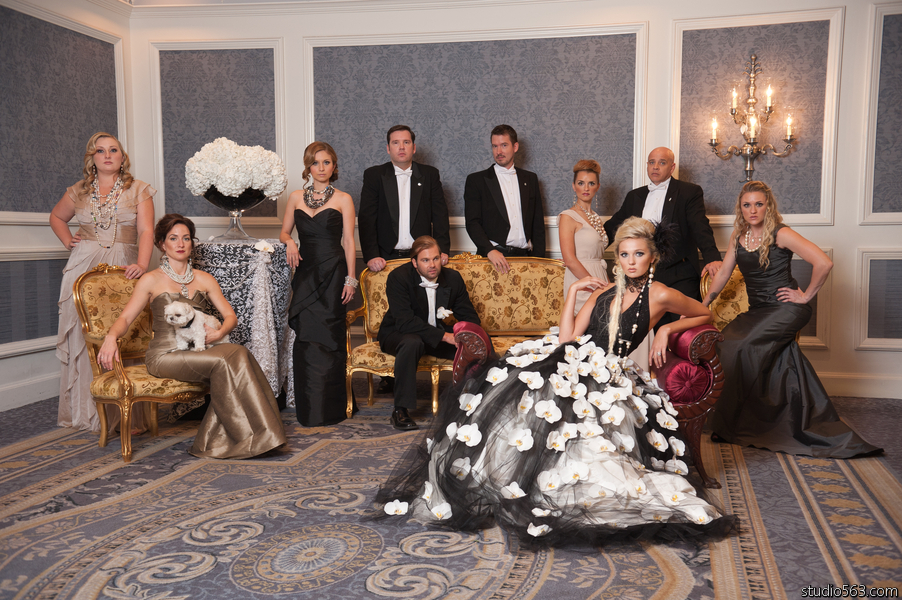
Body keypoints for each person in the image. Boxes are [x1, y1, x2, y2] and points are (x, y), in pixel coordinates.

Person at [377, 217, 736, 547]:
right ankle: (500, 475)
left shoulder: (660, 294)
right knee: (517, 388)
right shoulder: (604, 291)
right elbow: (567, 339)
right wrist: (574, 291)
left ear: (652, 257)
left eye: (639, 254)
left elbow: (704, 312)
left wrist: (668, 330)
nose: (630, 262)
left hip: (604, 371)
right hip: (571, 356)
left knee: (561, 412)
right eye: (624, 254)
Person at [703, 182, 881, 458]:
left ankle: (733, 424)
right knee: (727, 344)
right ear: (740, 208)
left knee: (741, 346)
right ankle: (755, 421)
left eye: (759, 204)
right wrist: (703, 304)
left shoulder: (781, 233)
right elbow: (725, 273)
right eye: (747, 205)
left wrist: (806, 296)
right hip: (758, 310)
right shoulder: (739, 235)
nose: (753, 210)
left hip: (786, 309)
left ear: (768, 206)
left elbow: (824, 262)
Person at [97, 214, 287, 459]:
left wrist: (219, 332)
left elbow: (230, 316)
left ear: (192, 243)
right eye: (173, 238)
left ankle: (257, 435)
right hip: (165, 355)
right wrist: (111, 337)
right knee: (225, 360)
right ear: (161, 244)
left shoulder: (204, 278)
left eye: (186, 238)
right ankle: (244, 437)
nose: (180, 244)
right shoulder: (151, 279)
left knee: (239, 352)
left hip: (199, 350)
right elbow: (125, 318)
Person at [51, 132, 155, 432]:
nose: (107, 155)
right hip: (83, 268)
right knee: (85, 335)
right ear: (92, 157)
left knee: (123, 333)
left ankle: (126, 415)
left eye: (113, 150)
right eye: (100, 151)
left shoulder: (139, 189)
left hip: (125, 267)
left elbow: (146, 231)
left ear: (122, 157)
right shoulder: (79, 190)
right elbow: (56, 217)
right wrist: (67, 240)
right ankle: (85, 413)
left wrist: (142, 265)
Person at [358, 125, 451, 394]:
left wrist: (443, 249)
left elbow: (440, 214)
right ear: (388, 148)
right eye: (396, 143)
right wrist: (371, 255)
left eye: (406, 142)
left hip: (421, 258)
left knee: (420, 311)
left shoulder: (429, 175)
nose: (401, 147)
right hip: (386, 258)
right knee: (393, 316)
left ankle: (413, 362)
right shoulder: (375, 175)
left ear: (413, 147)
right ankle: (392, 373)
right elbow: (367, 218)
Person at [281, 142, 358, 427]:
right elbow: (283, 232)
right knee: (306, 337)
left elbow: (348, 241)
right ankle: (309, 408)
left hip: (334, 273)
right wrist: (290, 242)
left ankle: (331, 408)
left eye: (326, 162)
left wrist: (351, 278)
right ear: (308, 167)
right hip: (305, 273)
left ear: (334, 166)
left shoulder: (344, 199)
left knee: (329, 336)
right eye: (316, 163)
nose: (321, 168)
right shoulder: (295, 198)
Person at [604, 147, 720, 329]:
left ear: (672, 167)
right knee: (644, 329)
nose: (655, 167)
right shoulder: (634, 196)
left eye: (662, 162)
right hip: (643, 274)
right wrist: (584, 249)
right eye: (652, 162)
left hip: (679, 272)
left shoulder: (688, 192)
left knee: (683, 329)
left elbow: (700, 227)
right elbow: (613, 228)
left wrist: (712, 258)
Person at [377, 236, 481, 431]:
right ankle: (400, 410)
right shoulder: (398, 277)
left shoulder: (453, 278)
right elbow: (405, 322)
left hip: (434, 334)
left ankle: (476, 403)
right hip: (398, 332)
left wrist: (465, 336)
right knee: (412, 343)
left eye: (435, 258)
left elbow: (470, 317)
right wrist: (446, 337)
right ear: (414, 262)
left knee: (475, 346)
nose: (432, 265)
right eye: (425, 260)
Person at [464, 124, 546, 274]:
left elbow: (537, 224)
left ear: (515, 147)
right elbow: (472, 223)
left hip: (526, 260)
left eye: (504, 145)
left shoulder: (530, 179)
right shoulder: (476, 181)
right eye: (494, 146)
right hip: (493, 260)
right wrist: (489, 250)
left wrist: (539, 262)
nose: (499, 151)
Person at [559, 159, 609, 315]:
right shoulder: (568, 216)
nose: (586, 188)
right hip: (581, 281)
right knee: (585, 327)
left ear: (598, 187)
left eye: (591, 183)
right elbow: (569, 260)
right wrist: (595, 285)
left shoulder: (596, 217)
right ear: (574, 186)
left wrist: (606, 286)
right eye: (581, 183)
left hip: (600, 277)